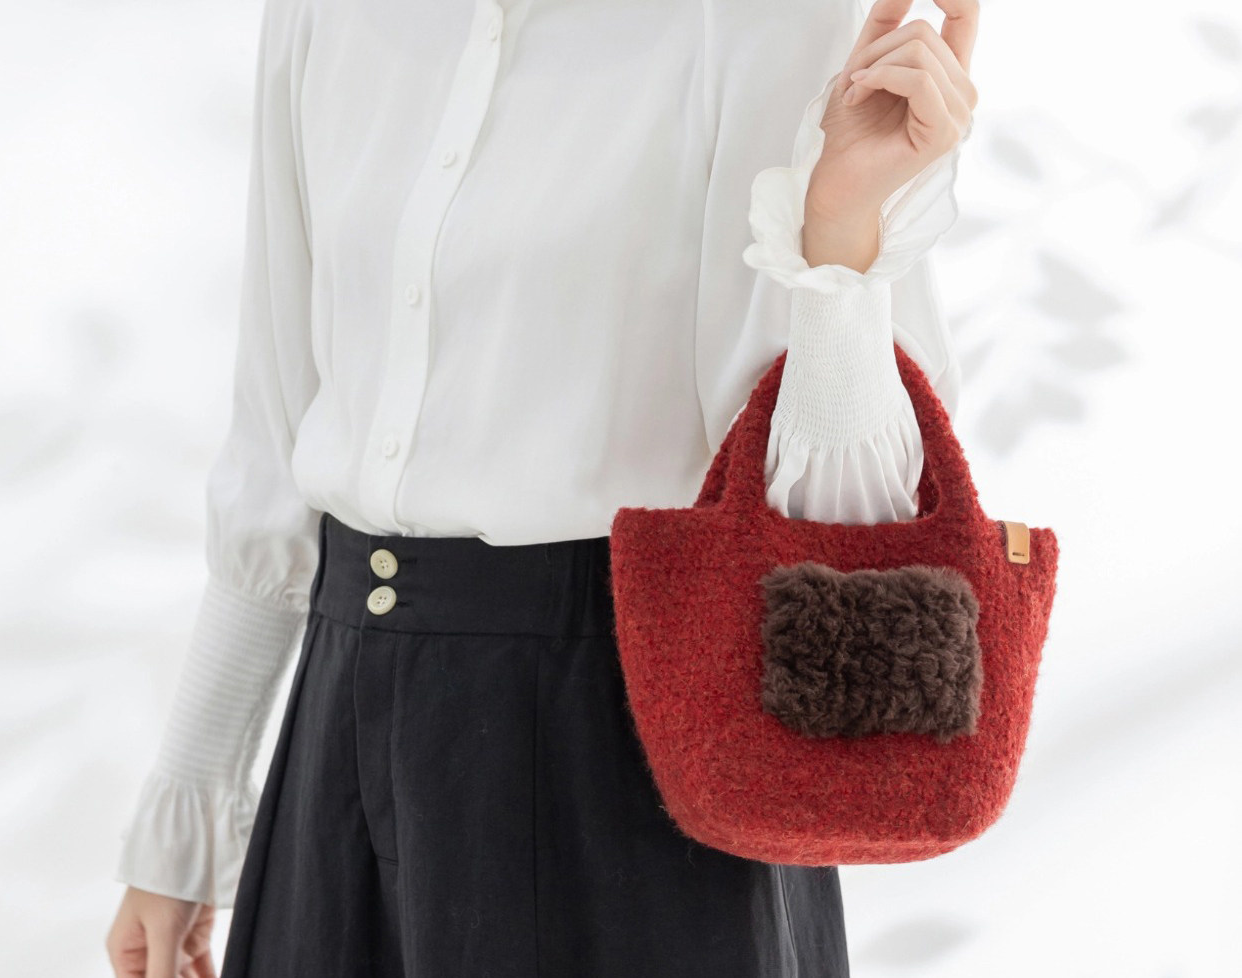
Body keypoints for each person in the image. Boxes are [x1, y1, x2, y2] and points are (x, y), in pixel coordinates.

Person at [106, 0, 977, 973]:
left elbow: (848, 536)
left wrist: (841, 235)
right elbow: (275, 441)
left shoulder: (762, 22)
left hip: (618, 762)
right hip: (337, 731)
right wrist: (190, 805)